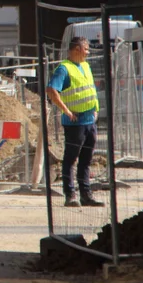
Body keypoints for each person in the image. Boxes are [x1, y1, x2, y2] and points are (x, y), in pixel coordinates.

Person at [46, 36, 103, 208]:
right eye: (86, 49)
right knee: (71, 159)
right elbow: (51, 90)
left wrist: (95, 110)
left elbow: (90, 89)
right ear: (77, 49)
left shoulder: (85, 66)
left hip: (89, 122)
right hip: (75, 123)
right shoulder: (64, 69)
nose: (88, 52)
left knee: (86, 160)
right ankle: (70, 195)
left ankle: (86, 195)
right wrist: (66, 111)